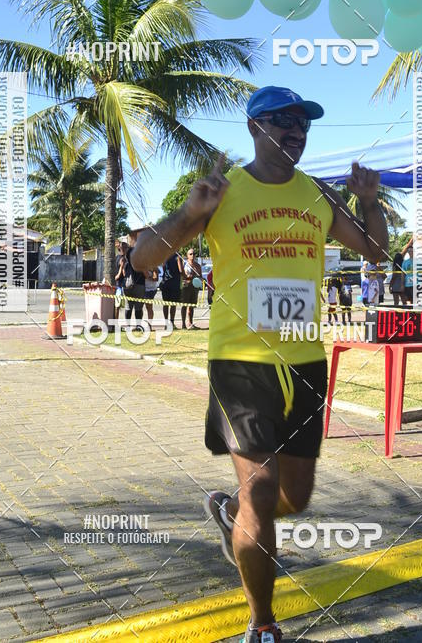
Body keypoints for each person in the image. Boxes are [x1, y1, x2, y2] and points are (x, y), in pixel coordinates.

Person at [131, 85, 388, 643]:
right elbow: (143, 258)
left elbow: (376, 252)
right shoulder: (224, 192)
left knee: (294, 497)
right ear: (254, 127)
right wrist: (190, 213)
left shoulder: (318, 195)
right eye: (283, 123)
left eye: (303, 125)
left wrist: (367, 201)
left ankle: (230, 515)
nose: (296, 133)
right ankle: (263, 624)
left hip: (305, 363)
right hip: (240, 364)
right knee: (263, 492)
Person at [124, 234, 146, 321]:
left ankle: (128, 325)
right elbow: (146, 274)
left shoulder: (127, 260)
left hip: (128, 285)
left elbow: (124, 272)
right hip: (139, 285)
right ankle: (138, 325)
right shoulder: (141, 260)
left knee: (128, 306)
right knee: (138, 307)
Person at [181, 248, 202, 329]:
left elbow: (200, 276)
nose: (192, 255)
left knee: (192, 306)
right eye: (190, 254)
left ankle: (190, 323)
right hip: (186, 287)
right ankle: (183, 324)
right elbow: (182, 275)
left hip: (194, 288)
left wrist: (200, 280)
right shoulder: (184, 264)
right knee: (184, 305)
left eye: (193, 254)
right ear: (187, 255)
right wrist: (188, 277)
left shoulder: (198, 266)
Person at [160, 252, 182, 327]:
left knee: (166, 304)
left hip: (165, 283)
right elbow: (181, 270)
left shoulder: (165, 255)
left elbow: (163, 267)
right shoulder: (178, 257)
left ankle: (166, 323)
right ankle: (171, 322)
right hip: (174, 284)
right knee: (173, 304)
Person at [114, 241, 128, 319]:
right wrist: (122, 267)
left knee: (121, 306)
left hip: (122, 285)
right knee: (118, 305)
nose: (126, 249)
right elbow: (122, 274)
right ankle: (116, 324)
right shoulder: (122, 259)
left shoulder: (119, 257)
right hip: (120, 285)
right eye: (125, 247)